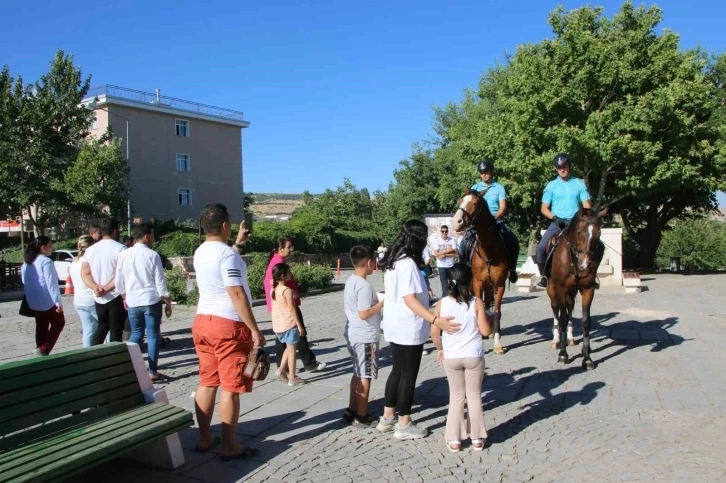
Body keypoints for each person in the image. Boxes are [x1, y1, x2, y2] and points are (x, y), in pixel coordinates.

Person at [377, 220, 461, 440]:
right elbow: (410, 300)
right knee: (408, 375)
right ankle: (404, 423)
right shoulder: (407, 264)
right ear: (417, 239)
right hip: (408, 326)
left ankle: (388, 416)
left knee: (397, 370)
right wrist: (436, 320)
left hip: (396, 324)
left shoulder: (395, 261)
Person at [191, 203, 264, 460]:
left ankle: (204, 438)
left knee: (207, 381)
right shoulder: (226, 255)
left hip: (203, 321)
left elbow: (221, 265)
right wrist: (254, 329)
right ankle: (230, 446)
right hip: (228, 325)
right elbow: (235, 292)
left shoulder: (201, 252)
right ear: (225, 225)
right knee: (231, 387)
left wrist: (238, 245)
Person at [430, 263, 492, 452]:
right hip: (473, 355)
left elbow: (434, 332)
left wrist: (440, 349)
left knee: (456, 396)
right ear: (470, 280)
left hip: (452, 356)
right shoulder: (476, 302)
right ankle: (477, 438)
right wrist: (490, 318)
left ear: (449, 281)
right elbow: (486, 331)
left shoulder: (442, 303)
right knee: (473, 396)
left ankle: (455, 439)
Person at [115, 223, 172, 382]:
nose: (153, 239)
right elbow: (160, 281)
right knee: (153, 335)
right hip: (150, 300)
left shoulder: (124, 254)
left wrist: (124, 295)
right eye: (152, 235)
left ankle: (122, 361)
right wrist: (166, 300)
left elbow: (119, 280)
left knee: (137, 333)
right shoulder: (152, 255)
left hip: (133, 300)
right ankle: (152, 370)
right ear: (146, 236)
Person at [265, 237, 326, 377]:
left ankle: (283, 366)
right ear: (281, 249)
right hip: (286, 305)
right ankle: (307, 363)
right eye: (289, 247)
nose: (291, 250)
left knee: (282, 337)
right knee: (299, 333)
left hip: (281, 305)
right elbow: (272, 285)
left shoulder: (277, 261)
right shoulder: (278, 263)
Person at [536, 153, 592, 288]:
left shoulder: (579, 184)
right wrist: (555, 218)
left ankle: (591, 276)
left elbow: (587, 206)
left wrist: (585, 218)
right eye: (559, 167)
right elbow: (544, 208)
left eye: (564, 166)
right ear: (556, 169)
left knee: (594, 245)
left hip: (576, 223)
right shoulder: (551, 185)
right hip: (558, 222)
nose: (562, 169)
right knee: (541, 248)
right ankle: (544, 276)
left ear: (569, 166)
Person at [343, 246, 384, 428]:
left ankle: (352, 408)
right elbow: (364, 313)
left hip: (354, 333)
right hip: (365, 335)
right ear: (369, 263)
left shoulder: (351, 280)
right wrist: (382, 303)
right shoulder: (364, 286)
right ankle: (361, 414)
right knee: (365, 375)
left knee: (357, 372)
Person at [459, 160, 520, 283]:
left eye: (486, 172)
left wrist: (495, 217)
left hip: (495, 221)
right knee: (463, 244)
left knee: (512, 240)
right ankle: (464, 270)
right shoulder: (475, 188)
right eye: (482, 172)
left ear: (491, 172)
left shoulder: (499, 187)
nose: (484, 175)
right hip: (477, 224)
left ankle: (512, 269)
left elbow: (502, 206)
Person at [81, 218, 127, 344]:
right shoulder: (121, 249)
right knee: (116, 330)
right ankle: (114, 358)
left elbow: (85, 273)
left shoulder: (90, 250)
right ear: (115, 231)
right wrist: (106, 288)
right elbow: (122, 274)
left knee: (102, 327)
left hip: (98, 296)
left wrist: (95, 287)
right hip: (115, 294)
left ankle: (94, 354)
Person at [21, 236, 65, 356]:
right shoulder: (46, 261)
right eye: (50, 246)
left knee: (41, 326)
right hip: (48, 300)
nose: (51, 249)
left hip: (33, 301)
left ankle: (40, 348)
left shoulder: (27, 262)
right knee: (59, 323)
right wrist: (58, 302)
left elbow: (24, 282)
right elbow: (51, 283)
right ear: (43, 248)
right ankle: (44, 348)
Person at [271, 263, 305, 386]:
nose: (291, 274)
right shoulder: (287, 290)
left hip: (278, 325)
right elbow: (291, 309)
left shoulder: (273, 289)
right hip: (288, 324)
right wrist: (300, 325)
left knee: (289, 347)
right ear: (283, 275)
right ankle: (291, 377)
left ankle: (280, 370)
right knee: (292, 351)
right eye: (289, 273)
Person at [68, 235, 98, 348]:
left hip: (78, 300)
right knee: (106, 327)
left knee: (88, 331)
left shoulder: (74, 262)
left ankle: (87, 353)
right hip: (91, 298)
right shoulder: (89, 262)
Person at [431, 225, 457, 296]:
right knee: (444, 282)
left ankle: (453, 295)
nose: (444, 233)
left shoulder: (451, 240)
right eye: (443, 231)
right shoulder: (437, 241)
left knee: (453, 281)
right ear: (441, 232)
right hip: (441, 265)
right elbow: (436, 253)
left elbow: (455, 253)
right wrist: (448, 251)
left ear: (448, 232)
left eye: (446, 231)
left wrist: (444, 255)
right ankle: (445, 297)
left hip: (450, 265)